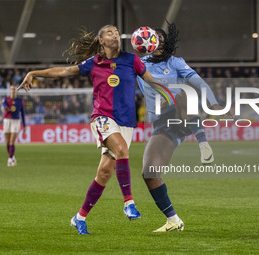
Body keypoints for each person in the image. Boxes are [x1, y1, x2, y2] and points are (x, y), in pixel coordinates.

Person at [18, 25, 170, 235]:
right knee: (122, 151)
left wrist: (172, 94)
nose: (114, 35)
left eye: (116, 32)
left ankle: (79, 217)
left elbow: (152, 82)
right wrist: (33, 73)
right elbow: (63, 71)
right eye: (109, 33)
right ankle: (129, 203)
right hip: (103, 118)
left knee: (104, 173)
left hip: (126, 123)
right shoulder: (94, 63)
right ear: (101, 40)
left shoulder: (131, 60)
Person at [137, 23, 233, 232]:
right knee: (149, 174)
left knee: (181, 93)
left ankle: (204, 144)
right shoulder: (138, 65)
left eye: (160, 39)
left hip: (182, 114)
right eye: (153, 39)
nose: (156, 42)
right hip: (163, 125)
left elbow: (198, 83)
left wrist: (214, 103)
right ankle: (173, 221)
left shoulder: (175, 62)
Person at [3, 85, 26, 167]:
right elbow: (4, 106)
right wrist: (7, 109)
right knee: (7, 142)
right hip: (7, 120)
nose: (13, 91)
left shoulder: (20, 101)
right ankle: (12, 157)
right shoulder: (5, 99)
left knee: (12, 141)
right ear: (9, 91)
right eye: (11, 89)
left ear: (16, 91)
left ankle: (9, 159)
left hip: (16, 121)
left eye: (14, 89)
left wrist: (24, 125)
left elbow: (22, 113)